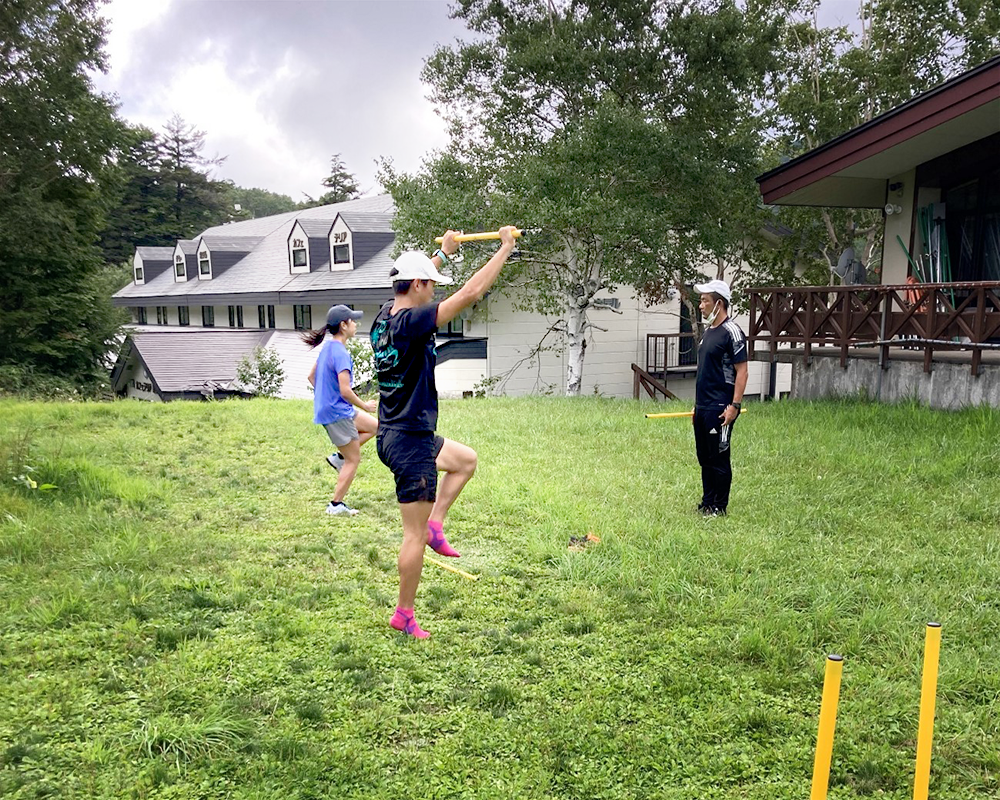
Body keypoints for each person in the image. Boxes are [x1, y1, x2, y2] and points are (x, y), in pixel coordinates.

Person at [371, 226, 518, 638]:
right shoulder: (414, 322)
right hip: (409, 440)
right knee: (411, 536)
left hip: (397, 431)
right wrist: (505, 248)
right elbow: (470, 295)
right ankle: (404, 613)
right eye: (431, 286)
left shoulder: (386, 316)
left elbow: (416, 278)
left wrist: (444, 254)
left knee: (464, 461)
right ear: (416, 286)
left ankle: (437, 524)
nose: (434, 293)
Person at [303, 305, 378, 516]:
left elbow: (311, 377)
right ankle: (335, 505)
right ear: (343, 326)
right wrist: (365, 405)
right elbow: (345, 391)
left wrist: (325, 397)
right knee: (354, 460)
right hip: (338, 412)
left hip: (333, 409)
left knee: (376, 427)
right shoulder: (342, 354)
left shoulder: (328, 348)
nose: (356, 324)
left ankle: (339, 457)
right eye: (353, 320)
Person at [691, 279, 747, 517]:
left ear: (719, 303)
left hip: (721, 407)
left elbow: (742, 371)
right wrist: (696, 408)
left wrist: (734, 405)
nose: (700, 305)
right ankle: (707, 501)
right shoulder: (708, 333)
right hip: (702, 406)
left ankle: (719, 507)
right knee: (704, 457)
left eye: (705, 301)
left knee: (719, 457)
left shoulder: (732, 332)